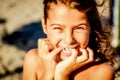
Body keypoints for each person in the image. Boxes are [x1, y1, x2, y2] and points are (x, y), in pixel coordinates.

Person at [23, 0, 116, 80]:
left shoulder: (101, 72)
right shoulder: (33, 60)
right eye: (58, 28)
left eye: (79, 28)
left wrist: (61, 76)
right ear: (44, 25)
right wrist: (48, 73)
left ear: (91, 27)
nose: (69, 40)